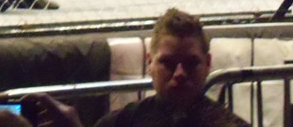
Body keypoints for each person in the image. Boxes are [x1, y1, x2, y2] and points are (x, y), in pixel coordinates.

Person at [94, 8, 250, 127]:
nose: (179, 73)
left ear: (207, 64)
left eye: (190, 63)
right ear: (150, 63)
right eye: (168, 63)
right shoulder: (117, 123)